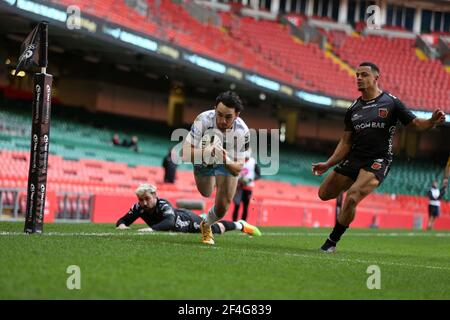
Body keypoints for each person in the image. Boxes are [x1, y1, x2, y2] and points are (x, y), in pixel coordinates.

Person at [312, 61, 446, 253]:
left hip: (378, 159)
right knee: (323, 194)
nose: (359, 78)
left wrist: (432, 121)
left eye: (364, 74)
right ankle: (355, 183)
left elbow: (416, 125)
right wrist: (328, 163)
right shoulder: (353, 109)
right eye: (357, 75)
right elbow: (345, 142)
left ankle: (331, 241)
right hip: (355, 157)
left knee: (351, 197)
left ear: (376, 78)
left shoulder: (391, 102)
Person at [181, 91, 250, 245]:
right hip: (203, 157)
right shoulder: (203, 119)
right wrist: (205, 153)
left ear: (237, 115)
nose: (222, 120)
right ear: (214, 109)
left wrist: (224, 159)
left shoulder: (242, 131)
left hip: (227, 160)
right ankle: (209, 166)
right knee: (206, 192)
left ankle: (206, 224)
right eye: (219, 114)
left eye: (228, 117)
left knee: (223, 207)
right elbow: (184, 153)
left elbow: (238, 169)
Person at [115, 183, 261, 237]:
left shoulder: (162, 204)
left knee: (215, 230)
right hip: (180, 220)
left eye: (147, 199)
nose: (144, 203)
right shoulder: (139, 207)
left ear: (155, 196)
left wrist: (151, 230)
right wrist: (122, 225)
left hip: (187, 221)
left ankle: (240, 225)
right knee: (209, 224)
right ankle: (204, 216)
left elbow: (170, 222)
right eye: (141, 200)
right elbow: (123, 220)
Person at [232, 153, 260, 222]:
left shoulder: (253, 162)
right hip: (238, 187)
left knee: (245, 206)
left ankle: (243, 223)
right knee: (236, 205)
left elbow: (258, 174)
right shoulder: (238, 161)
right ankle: (234, 222)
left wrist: (249, 179)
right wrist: (238, 180)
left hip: (248, 187)